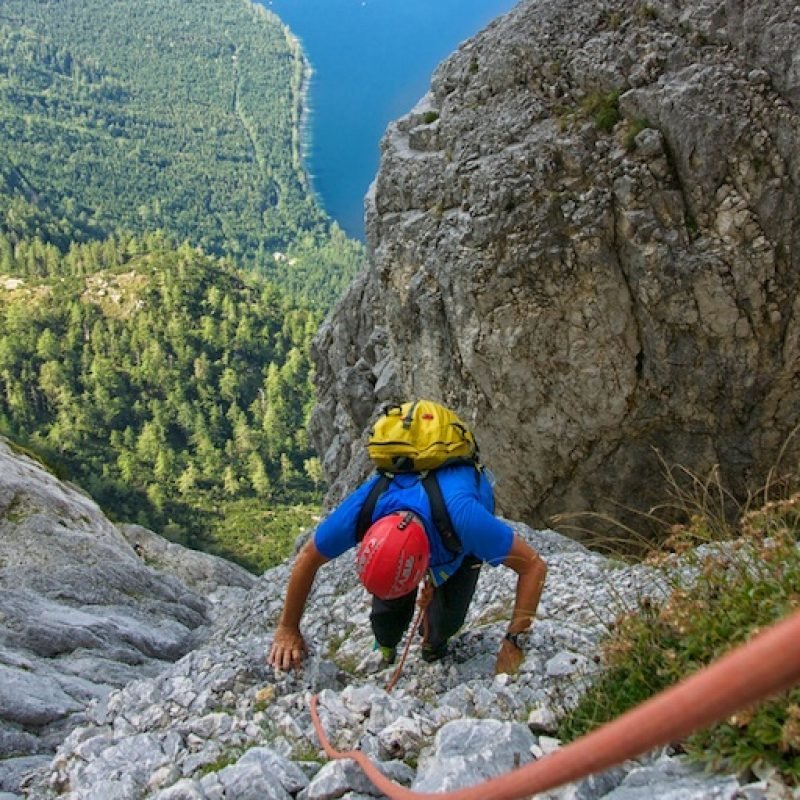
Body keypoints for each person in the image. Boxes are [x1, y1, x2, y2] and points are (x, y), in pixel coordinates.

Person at [267, 462, 547, 675]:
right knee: (386, 614)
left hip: (456, 540)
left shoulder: (467, 521)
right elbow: (308, 557)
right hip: (430, 525)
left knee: (447, 620)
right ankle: (386, 643)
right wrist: (287, 627)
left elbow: (533, 567)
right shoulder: (365, 508)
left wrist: (513, 642)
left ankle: (433, 644)